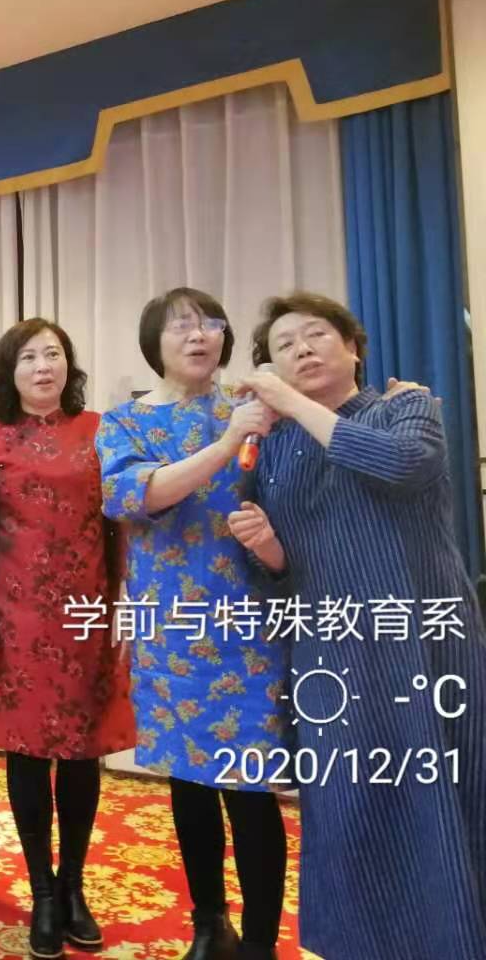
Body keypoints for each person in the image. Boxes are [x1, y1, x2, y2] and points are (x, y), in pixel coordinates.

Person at [229, 291, 486, 960]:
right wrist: (269, 551)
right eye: (285, 346)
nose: (303, 350)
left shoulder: (405, 409)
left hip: (422, 644)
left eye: (317, 335)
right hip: (333, 653)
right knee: (348, 808)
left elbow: (401, 466)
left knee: (440, 799)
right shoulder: (271, 449)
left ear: (353, 348)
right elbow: (276, 577)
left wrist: (293, 404)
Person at [96, 288, 290, 960]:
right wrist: (228, 442)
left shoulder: (255, 405)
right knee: (188, 781)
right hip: (171, 626)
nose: (199, 335)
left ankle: (260, 942)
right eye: (182, 326)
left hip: (249, 625)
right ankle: (210, 925)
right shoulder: (125, 422)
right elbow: (134, 495)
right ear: (154, 341)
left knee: (251, 786)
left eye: (211, 324)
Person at [0, 319, 135, 955]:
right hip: (16, 617)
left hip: (87, 609)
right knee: (27, 753)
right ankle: (43, 893)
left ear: (68, 366)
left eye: (53, 354)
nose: (42, 366)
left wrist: (124, 600)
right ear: (10, 372)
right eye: (29, 357)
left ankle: (74, 885)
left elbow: (119, 522)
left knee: (83, 753)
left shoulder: (100, 430)